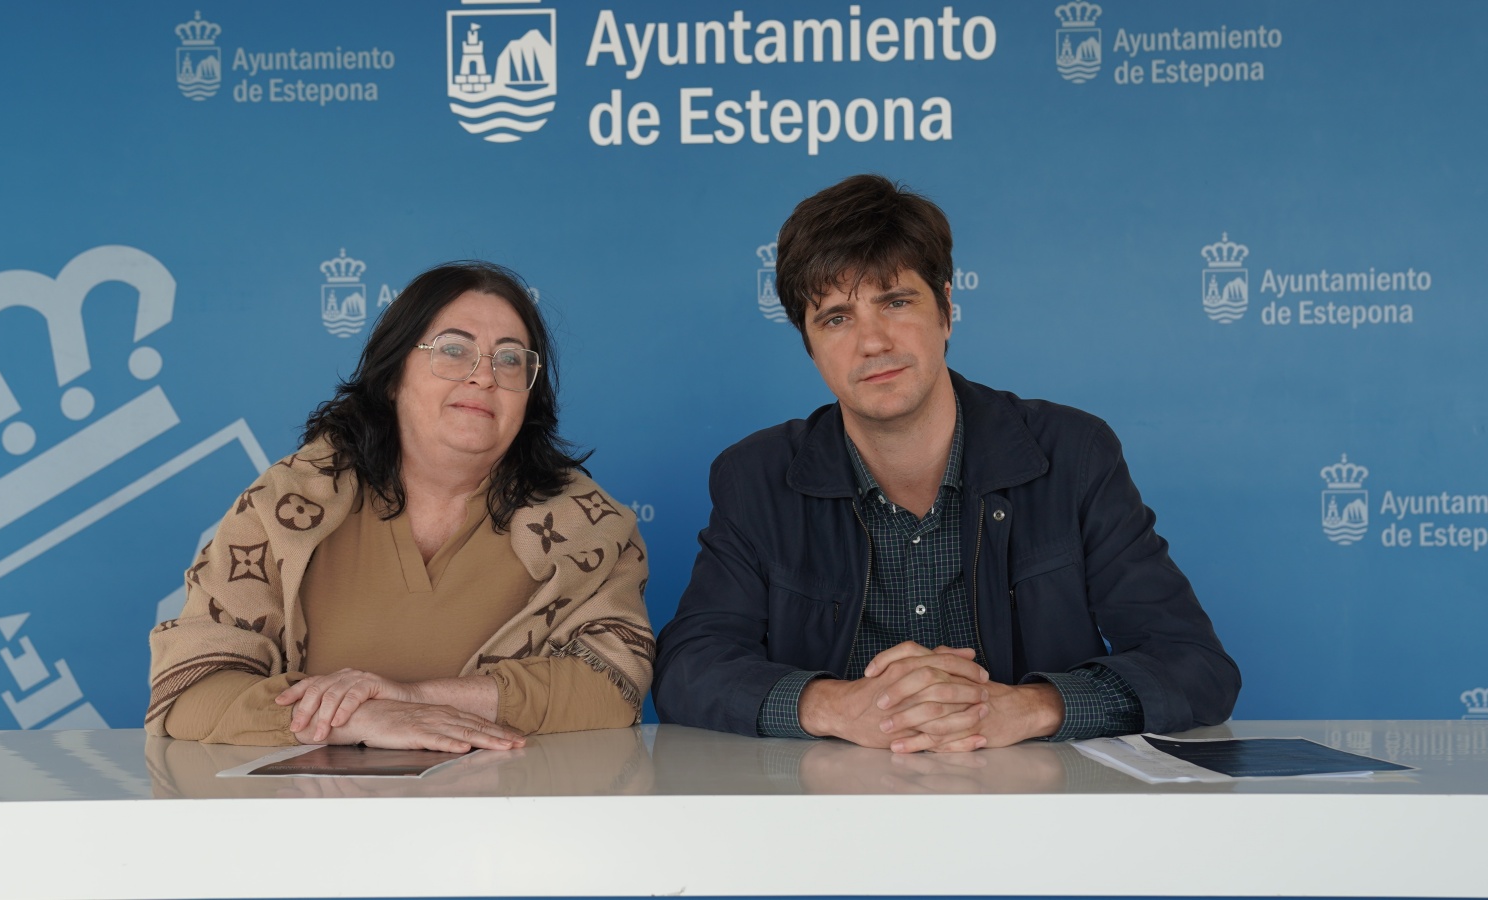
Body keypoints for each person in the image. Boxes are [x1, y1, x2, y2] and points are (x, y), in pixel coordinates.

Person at [652, 175, 1238, 753]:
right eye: (836, 318)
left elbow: (1195, 666)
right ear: (810, 345)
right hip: (833, 819)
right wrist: (837, 705)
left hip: (1037, 814)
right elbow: (689, 666)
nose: (872, 341)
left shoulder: (1072, 454)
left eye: (896, 302)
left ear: (947, 311)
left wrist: (1029, 707)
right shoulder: (757, 476)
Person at [148, 262, 653, 749]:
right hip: (310, 821)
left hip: (510, 822)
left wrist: (415, 698)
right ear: (392, 376)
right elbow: (189, 687)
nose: (484, 376)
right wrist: (364, 717)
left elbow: (614, 684)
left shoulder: (591, 525)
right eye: (454, 350)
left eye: (510, 358)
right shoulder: (288, 505)